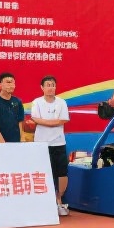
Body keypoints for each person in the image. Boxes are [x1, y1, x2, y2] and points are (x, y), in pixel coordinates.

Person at [30, 75, 71, 216]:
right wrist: (53, 122)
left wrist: (45, 122)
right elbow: (35, 118)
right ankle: (43, 203)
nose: (51, 87)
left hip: (59, 143)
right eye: (48, 85)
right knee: (43, 173)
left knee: (61, 173)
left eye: (53, 84)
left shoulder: (61, 102)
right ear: (42, 87)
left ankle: (59, 201)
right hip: (41, 144)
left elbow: (63, 120)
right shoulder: (37, 102)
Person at [0, 72, 23, 144]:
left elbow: (20, 122)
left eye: (13, 83)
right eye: (8, 82)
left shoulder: (18, 101)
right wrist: (1, 141)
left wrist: (21, 138)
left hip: (15, 142)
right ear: (0, 85)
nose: (11, 85)